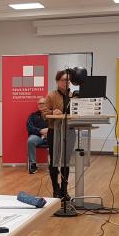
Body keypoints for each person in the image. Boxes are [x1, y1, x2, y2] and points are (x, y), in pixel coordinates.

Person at [43, 70, 73, 198]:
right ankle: (56, 189)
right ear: (57, 81)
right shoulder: (51, 95)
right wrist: (52, 113)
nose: (67, 82)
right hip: (54, 131)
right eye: (64, 80)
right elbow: (44, 113)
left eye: (68, 80)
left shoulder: (73, 96)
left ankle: (64, 190)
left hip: (69, 131)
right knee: (54, 161)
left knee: (66, 162)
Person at [26, 98, 49, 174]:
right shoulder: (33, 115)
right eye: (39, 104)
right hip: (37, 137)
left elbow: (57, 126)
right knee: (30, 140)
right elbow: (29, 127)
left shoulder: (51, 114)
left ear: (47, 104)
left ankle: (53, 166)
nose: (41, 105)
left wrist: (48, 130)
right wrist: (40, 131)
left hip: (50, 136)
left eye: (43, 103)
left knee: (56, 140)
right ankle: (33, 164)